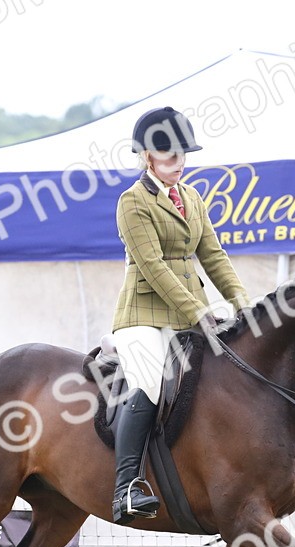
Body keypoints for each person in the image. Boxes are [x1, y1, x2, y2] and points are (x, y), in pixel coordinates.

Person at [110, 107, 250, 524]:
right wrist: (198, 311)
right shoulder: (133, 202)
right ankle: (126, 488)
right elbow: (152, 266)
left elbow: (213, 255)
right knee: (151, 382)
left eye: (183, 155)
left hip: (191, 314)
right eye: (170, 156)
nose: (179, 163)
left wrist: (242, 301)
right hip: (143, 316)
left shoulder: (191, 198)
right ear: (148, 157)